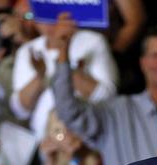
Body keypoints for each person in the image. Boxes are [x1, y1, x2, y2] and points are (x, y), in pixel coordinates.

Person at [53, 23, 157, 165]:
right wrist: (62, 56)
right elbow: (69, 112)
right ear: (142, 62)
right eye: (155, 55)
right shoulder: (115, 110)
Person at [10, 11, 118, 141]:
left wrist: (63, 52)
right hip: (45, 143)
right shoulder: (27, 50)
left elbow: (108, 96)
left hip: (87, 139)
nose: (49, 23)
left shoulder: (93, 41)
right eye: (43, 14)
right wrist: (40, 76)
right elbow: (20, 110)